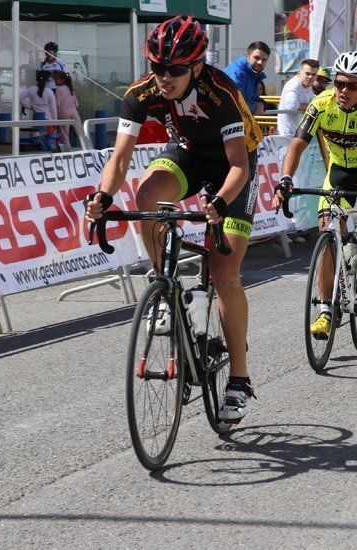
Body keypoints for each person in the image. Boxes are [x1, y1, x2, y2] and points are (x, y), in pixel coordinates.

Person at [84, 15, 263, 423]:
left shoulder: (222, 93)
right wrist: (102, 197)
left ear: (196, 67)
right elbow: (121, 157)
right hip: (188, 155)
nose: (165, 78)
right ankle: (162, 282)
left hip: (233, 168)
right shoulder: (142, 93)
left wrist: (217, 202)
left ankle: (239, 378)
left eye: (176, 70)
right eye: (157, 68)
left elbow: (239, 166)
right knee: (146, 195)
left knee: (225, 274)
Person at [271, 51, 357, 337]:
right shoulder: (320, 104)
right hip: (339, 169)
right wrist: (286, 178)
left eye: (352, 86)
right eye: (339, 83)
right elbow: (297, 144)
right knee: (327, 232)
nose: (343, 90)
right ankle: (325, 310)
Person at [224, 41, 270, 114]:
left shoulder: (251, 74)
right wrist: (255, 107)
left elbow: (251, 98)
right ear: (247, 56)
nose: (260, 62)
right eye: (256, 58)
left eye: (264, 60)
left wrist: (261, 104)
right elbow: (233, 103)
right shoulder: (236, 74)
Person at [277, 59, 319, 136]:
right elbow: (290, 105)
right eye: (307, 73)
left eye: (313, 75)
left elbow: (316, 102)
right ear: (299, 72)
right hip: (287, 134)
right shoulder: (293, 85)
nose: (310, 77)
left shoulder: (308, 87)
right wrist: (311, 106)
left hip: (299, 133)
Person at [52, 70, 80, 147]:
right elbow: (76, 104)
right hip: (74, 113)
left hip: (63, 115)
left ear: (62, 80)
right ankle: (85, 150)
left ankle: (68, 152)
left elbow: (57, 104)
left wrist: (54, 117)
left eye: (56, 79)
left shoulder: (59, 90)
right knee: (81, 134)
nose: (54, 81)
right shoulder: (71, 89)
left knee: (64, 136)